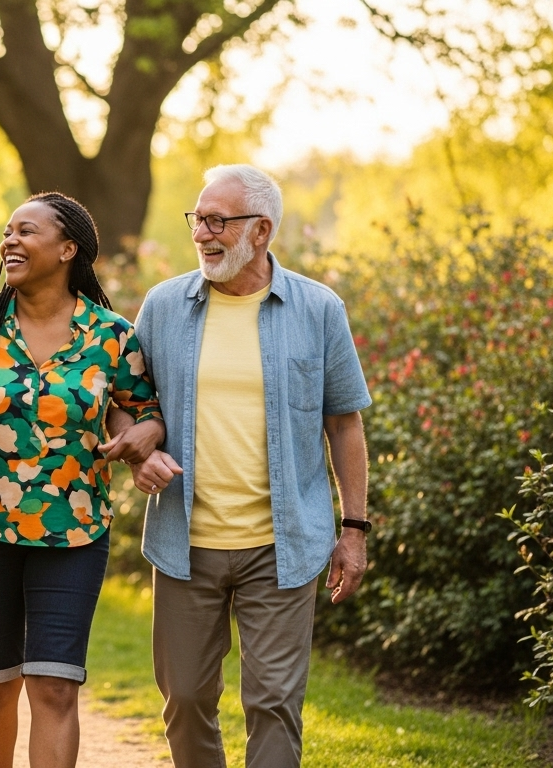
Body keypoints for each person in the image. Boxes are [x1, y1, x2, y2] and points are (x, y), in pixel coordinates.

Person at [129, 165, 371, 768]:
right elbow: (128, 403)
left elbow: (344, 423)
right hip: (185, 542)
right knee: (186, 699)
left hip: (283, 545)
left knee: (274, 703)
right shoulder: (163, 306)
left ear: (261, 230)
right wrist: (142, 451)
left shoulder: (318, 309)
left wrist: (354, 529)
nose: (201, 234)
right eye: (198, 219)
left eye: (218, 221)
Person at [0, 192, 164, 768]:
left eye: (26, 231)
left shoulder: (111, 334)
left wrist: (144, 438)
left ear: (68, 249)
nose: (10, 241)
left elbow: (144, 411)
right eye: (7, 231)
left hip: (73, 532)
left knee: (55, 686)